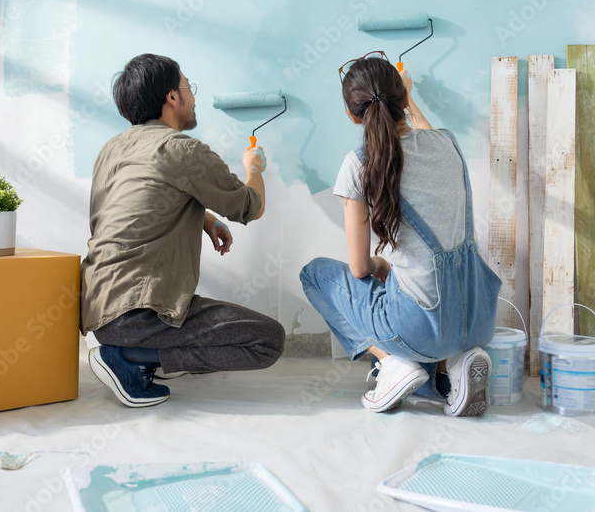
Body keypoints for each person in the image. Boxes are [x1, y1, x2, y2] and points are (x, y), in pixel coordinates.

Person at [299, 52, 501, 415]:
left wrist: (379, 260)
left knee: (315, 273)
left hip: (420, 326)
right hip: (476, 316)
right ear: (403, 100)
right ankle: (452, 365)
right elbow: (424, 131)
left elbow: (359, 270)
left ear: (352, 115)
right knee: (413, 300)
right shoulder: (449, 144)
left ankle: (393, 364)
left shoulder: (359, 164)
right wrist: (410, 98)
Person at [80, 53, 285, 408]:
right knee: (268, 341)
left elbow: (137, 203)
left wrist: (205, 220)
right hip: (139, 316)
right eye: (189, 88)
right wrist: (254, 168)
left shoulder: (111, 149)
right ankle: (132, 358)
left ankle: (145, 354)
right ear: (172, 97)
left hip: (100, 307)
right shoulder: (184, 151)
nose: (193, 97)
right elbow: (251, 206)